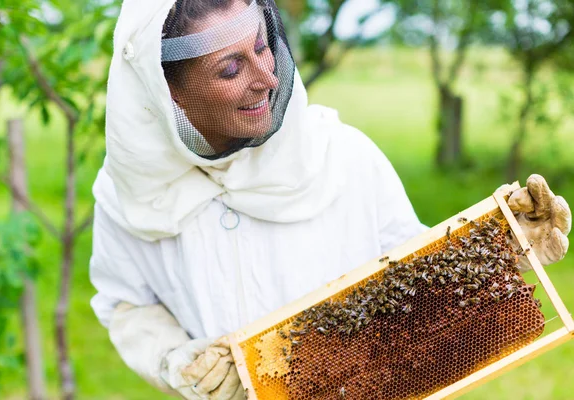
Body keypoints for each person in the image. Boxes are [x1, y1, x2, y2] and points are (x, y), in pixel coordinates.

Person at [89, 0, 572, 399]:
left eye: (263, 48)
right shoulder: (125, 194)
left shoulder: (344, 154)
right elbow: (125, 304)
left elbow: (416, 273)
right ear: (166, 90)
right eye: (231, 68)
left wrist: (498, 247)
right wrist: (177, 358)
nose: (268, 78)